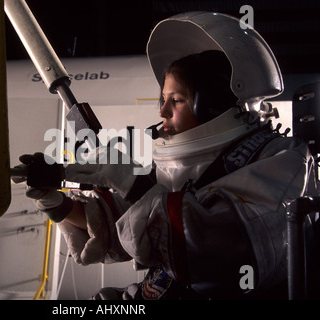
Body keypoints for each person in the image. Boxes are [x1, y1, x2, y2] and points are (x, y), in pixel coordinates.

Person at [20, 11, 318, 299]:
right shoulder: (185, 167)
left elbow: (219, 253)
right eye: (163, 100)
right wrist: (57, 203)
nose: (161, 112)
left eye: (175, 100)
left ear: (212, 106)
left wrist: (133, 182)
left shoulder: (281, 161)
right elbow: (121, 222)